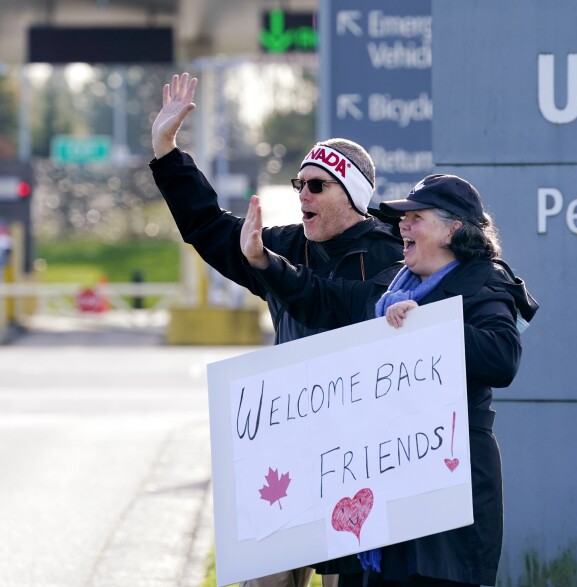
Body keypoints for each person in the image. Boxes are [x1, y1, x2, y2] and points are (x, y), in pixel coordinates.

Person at [149, 72, 403, 587]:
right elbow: (207, 226)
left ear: (351, 194)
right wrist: (166, 150)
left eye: (315, 185)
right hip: (290, 448)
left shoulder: (392, 253)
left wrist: (271, 267)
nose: (301, 194)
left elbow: (352, 308)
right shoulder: (283, 245)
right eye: (298, 184)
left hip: (361, 456)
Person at [240, 173, 539, 587]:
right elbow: (320, 297)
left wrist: (424, 327)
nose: (402, 226)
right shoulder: (391, 289)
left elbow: (502, 358)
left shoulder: (485, 284)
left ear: (453, 229)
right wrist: (263, 261)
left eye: (415, 217)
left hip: (450, 496)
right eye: (403, 218)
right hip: (388, 494)